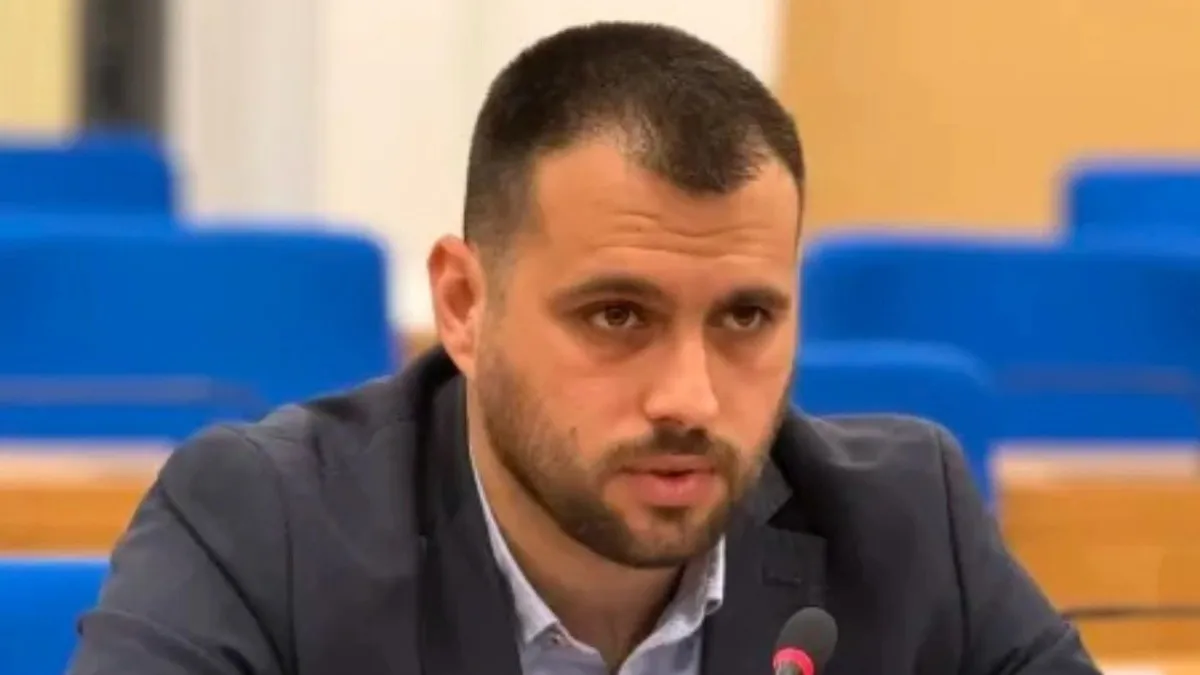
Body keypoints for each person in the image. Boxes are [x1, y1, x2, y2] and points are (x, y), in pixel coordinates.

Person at [68, 21, 1099, 675]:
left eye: (745, 318)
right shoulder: (264, 529)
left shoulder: (907, 525)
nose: (690, 398)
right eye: (617, 316)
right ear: (465, 305)